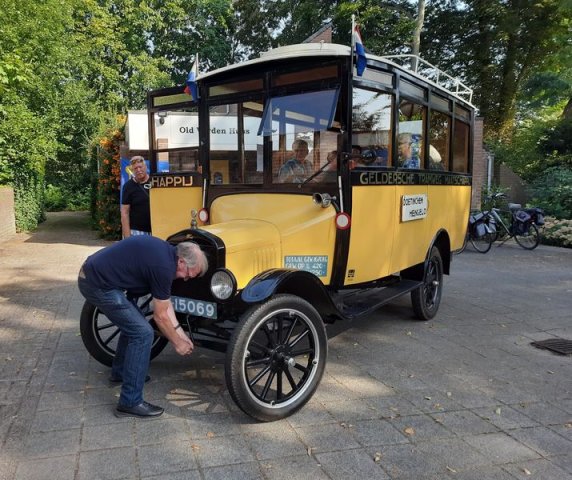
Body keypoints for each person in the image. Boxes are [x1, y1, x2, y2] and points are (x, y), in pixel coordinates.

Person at [77, 237, 208, 418]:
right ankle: (130, 402)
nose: (185, 278)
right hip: (97, 284)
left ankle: (122, 372)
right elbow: (160, 316)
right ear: (182, 261)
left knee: (134, 324)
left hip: (95, 274)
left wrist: (181, 334)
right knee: (142, 333)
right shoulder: (163, 268)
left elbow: (165, 303)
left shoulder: (167, 254)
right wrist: (177, 343)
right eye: (188, 274)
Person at [121, 156, 151, 238]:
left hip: (157, 229)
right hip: (137, 232)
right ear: (132, 170)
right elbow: (124, 212)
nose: (138, 170)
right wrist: (127, 237)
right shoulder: (128, 186)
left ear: (145, 167)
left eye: (140, 167)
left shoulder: (155, 181)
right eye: (135, 168)